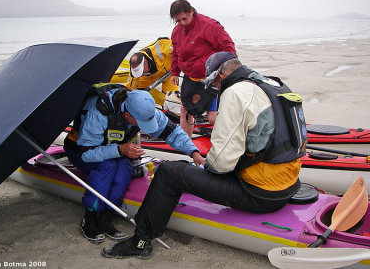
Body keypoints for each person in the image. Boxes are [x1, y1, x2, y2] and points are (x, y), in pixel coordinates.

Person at [101, 52, 307, 259]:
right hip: (290, 185)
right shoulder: (271, 84)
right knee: (194, 166)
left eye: (214, 84)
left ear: (219, 76)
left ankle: (140, 241)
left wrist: (202, 165)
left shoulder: (235, 93)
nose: (215, 89)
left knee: (168, 171)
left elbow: (220, 165)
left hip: (259, 194)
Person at [64, 85, 203, 244]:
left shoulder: (143, 108)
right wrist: (120, 149)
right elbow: (86, 153)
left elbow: (172, 132)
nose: (145, 127)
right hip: (80, 150)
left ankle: (106, 217)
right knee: (106, 167)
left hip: (114, 150)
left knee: (125, 167)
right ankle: (89, 218)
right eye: (141, 123)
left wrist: (194, 152)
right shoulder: (99, 111)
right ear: (126, 114)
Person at [169, 0, 237, 135]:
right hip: (190, 77)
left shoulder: (210, 26)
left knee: (212, 117)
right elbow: (175, 52)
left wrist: (229, 73)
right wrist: (175, 72)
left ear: (192, 11)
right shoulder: (177, 31)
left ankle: (229, 141)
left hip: (211, 78)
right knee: (185, 110)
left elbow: (229, 50)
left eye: (184, 19)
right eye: (178, 21)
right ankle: (186, 145)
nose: (181, 23)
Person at [125, 37, 179, 106]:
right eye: (138, 73)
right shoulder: (135, 69)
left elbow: (183, 47)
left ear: (145, 62)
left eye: (141, 71)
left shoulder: (164, 47)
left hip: (169, 74)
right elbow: (130, 88)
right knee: (137, 94)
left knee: (173, 100)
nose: (140, 73)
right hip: (148, 77)